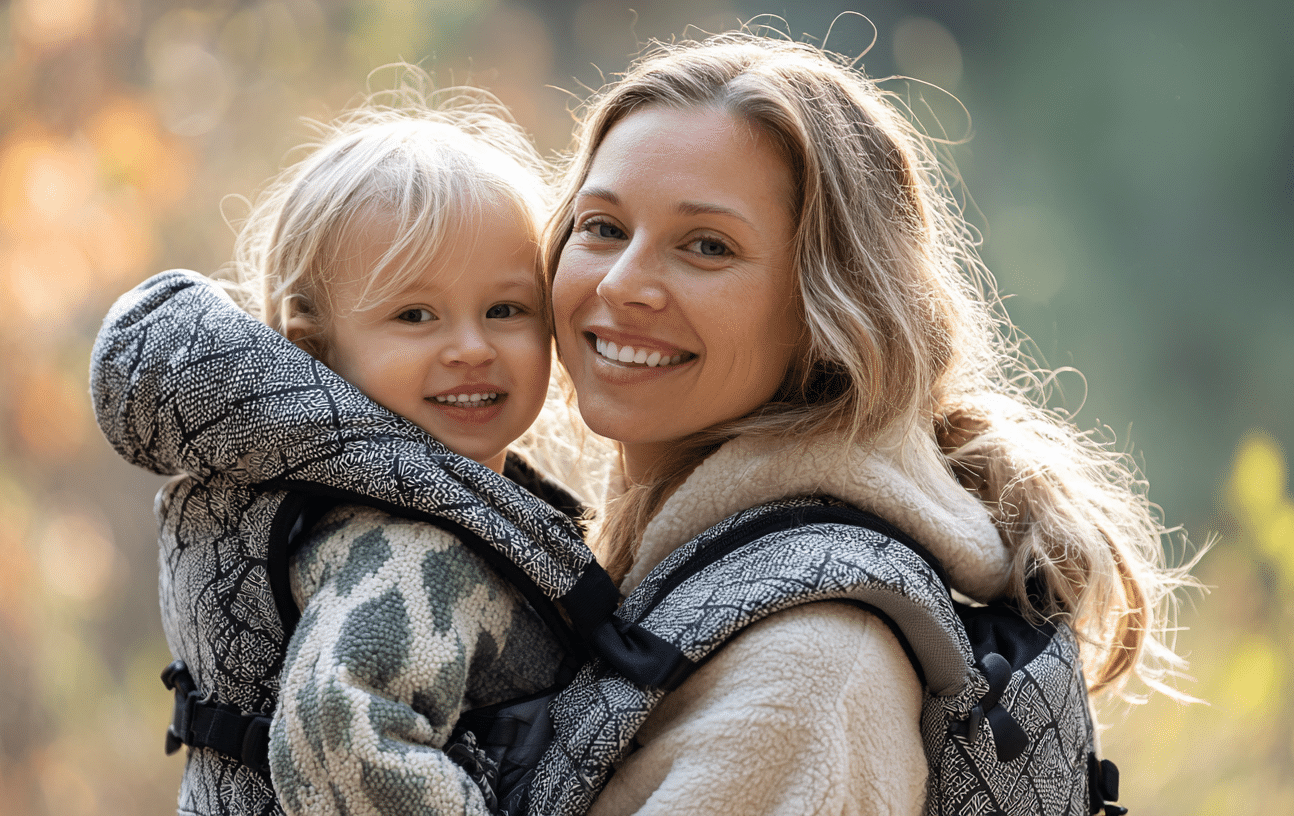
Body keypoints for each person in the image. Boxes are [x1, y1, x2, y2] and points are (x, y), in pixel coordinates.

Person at [538, 32, 1190, 815]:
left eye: (706, 246)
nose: (622, 282)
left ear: (831, 310)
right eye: (602, 226)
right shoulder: (706, 581)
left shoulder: (809, 675)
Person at [92, 76, 604, 816]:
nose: (470, 347)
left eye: (505, 309)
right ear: (316, 352)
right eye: (416, 314)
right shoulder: (405, 550)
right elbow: (340, 744)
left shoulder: (442, 506)